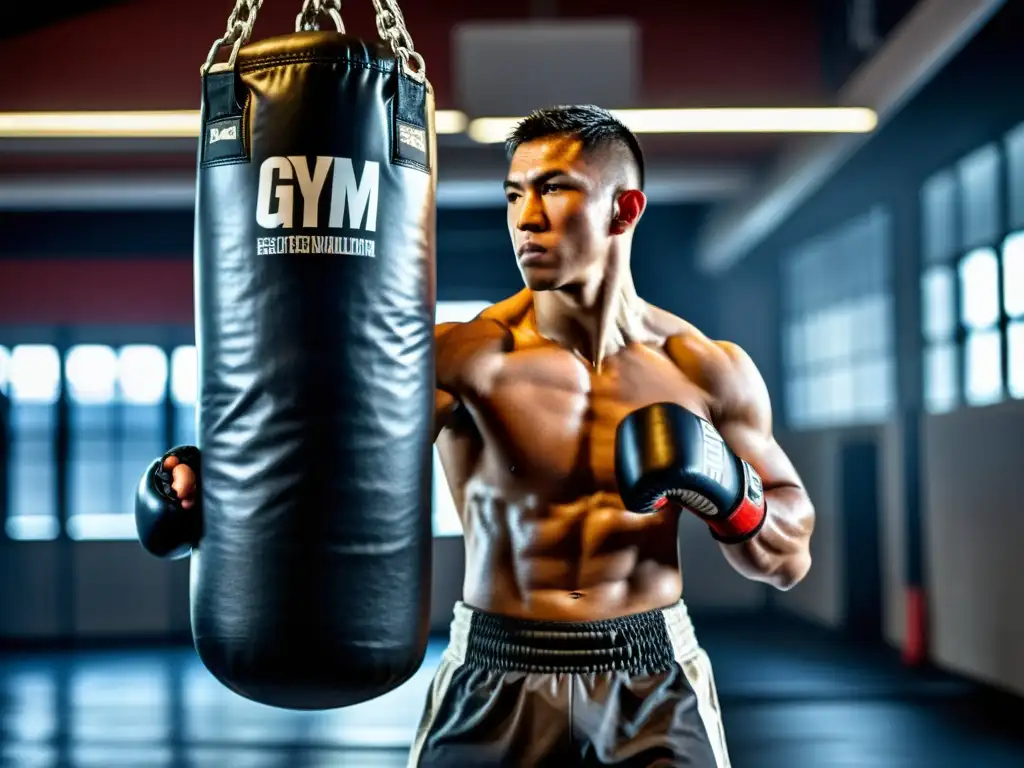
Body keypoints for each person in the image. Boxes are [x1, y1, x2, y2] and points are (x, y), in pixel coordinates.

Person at [156, 105, 815, 767]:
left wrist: (732, 490)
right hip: (495, 668)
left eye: (554, 190)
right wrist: (210, 481)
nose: (526, 217)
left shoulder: (705, 369)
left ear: (624, 209)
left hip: (652, 672)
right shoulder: (465, 358)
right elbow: (328, 474)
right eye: (514, 194)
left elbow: (787, 561)